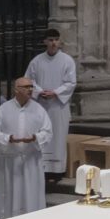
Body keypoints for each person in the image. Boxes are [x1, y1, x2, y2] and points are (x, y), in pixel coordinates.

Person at [0, 78, 53, 219]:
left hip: (31, 161)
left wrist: (35, 138)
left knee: (31, 195)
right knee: (8, 195)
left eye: (31, 86)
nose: (30, 89)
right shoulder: (4, 109)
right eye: (26, 87)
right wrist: (8, 138)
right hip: (9, 162)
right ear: (16, 89)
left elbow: (48, 132)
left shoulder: (38, 109)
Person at [27, 30, 79, 176]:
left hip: (58, 106)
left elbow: (71, 82)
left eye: (56, 40)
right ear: (45, 42)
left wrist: (56, 92)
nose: (54, 43)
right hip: (41, 105)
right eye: (50, 40)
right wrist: (39, 91)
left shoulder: (67, 60)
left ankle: (57, 171)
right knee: (42, 135)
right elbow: (29, 81)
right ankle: (42, 168)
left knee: (58, 136)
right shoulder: (36, 61)